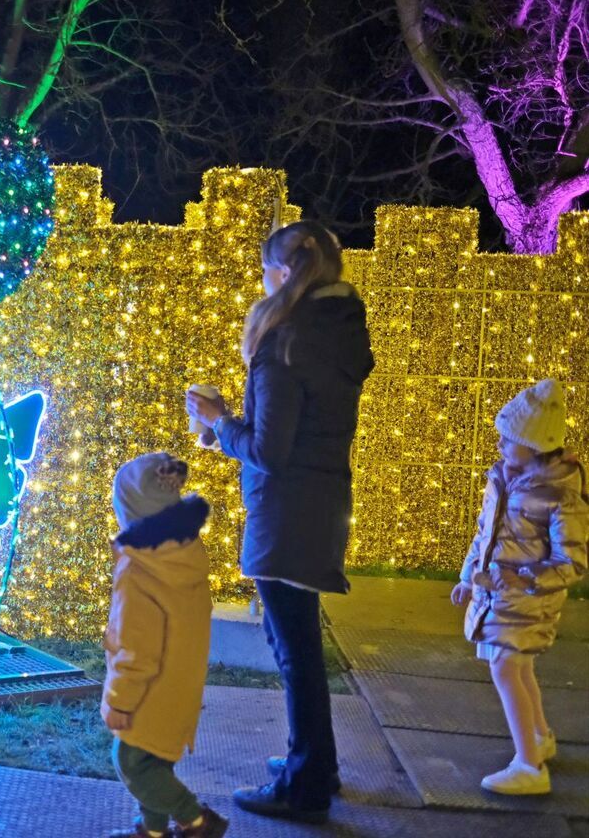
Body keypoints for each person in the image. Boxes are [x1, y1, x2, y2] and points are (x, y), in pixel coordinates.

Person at [185, 220, 373, 824]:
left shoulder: (284, 338)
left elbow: (270, 450)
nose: (263, 280)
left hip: (286, 512)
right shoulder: (337, 331)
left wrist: (217, 421)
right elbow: (296, 431)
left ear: (285, 273)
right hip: (319, 503)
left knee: (293, 650)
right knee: (299, 643)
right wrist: (231, 433)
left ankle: (305, 786)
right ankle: (315, 762)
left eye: (267, 268)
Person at [451, 379, 587, 795]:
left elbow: (573, 561)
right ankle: (540, 738)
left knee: (506, 667)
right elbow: (485, 534)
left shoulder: (559, 496)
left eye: (507, 440)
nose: (499, 447)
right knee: (518, 666)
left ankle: (529, 765)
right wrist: (467, 576)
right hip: (498, 593)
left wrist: (525, 579)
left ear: (533, 445)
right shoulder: (503, 480)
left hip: (527, 599)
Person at [103, 453, 228, 838]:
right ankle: (152, 831)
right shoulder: (184, 551)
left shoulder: (138, 568)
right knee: (155, 761)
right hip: (179, 682)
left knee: (132, 762)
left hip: (149, 690)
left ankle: (196, 820)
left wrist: (120, 699)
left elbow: (135, 644)